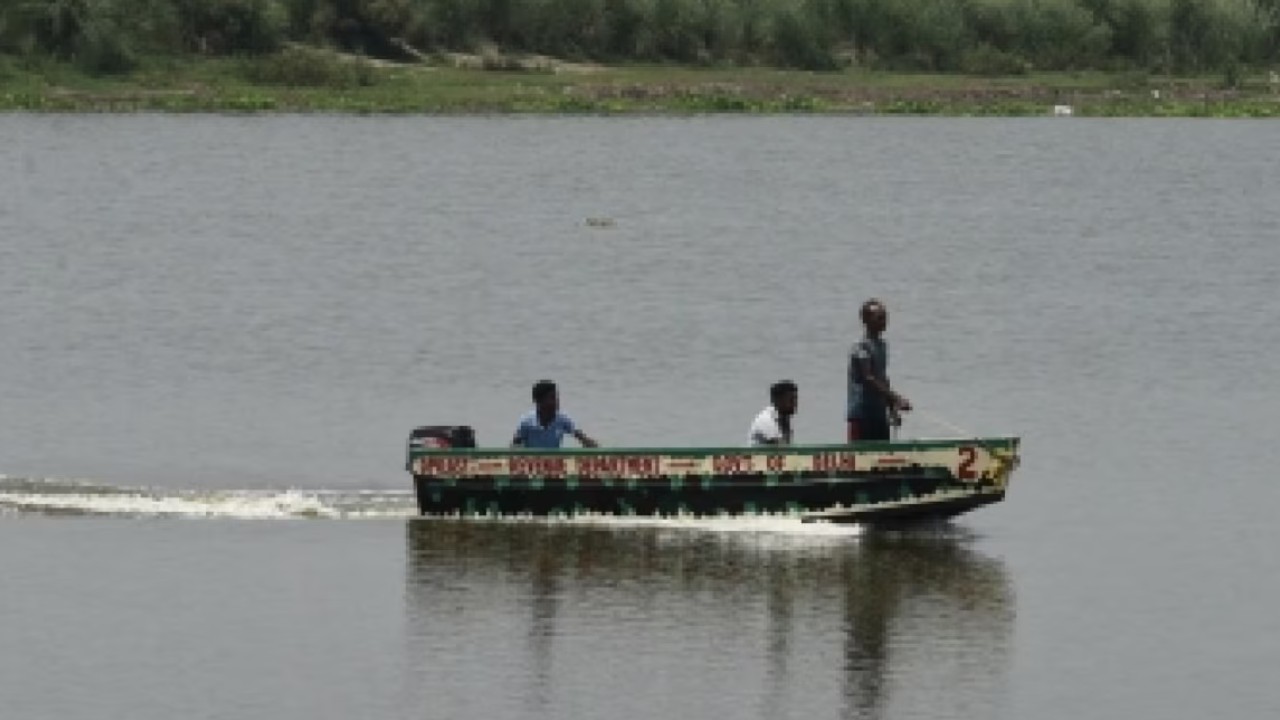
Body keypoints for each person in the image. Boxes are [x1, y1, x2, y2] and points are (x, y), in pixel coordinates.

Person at [847, 299, 911, 442]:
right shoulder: (860, 347)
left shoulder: (882, 346)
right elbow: (868, 378)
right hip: (861, 414)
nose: (884, 322)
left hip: (878, 413)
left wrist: (892, 407)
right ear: (866, 320)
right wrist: (897, 398)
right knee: (861, 457)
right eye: (879, 318)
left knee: (881, 457)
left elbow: (882, 378)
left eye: (885, 317)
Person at [512, 380, 599, 449]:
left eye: (556, 398)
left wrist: (594, 446)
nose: (556, 402)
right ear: (538, 401)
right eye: (552, 398)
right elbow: (514, 446)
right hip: (532, 464)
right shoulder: (526, 421)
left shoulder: (562, 419)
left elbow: (583, 439)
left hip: (553, 464)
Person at [749, 380, 798, 446]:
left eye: (796, 399)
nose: (795, 403)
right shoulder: (766, 420)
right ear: (777, 400)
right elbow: (780, 449)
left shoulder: (784, 419)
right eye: (791, 399)